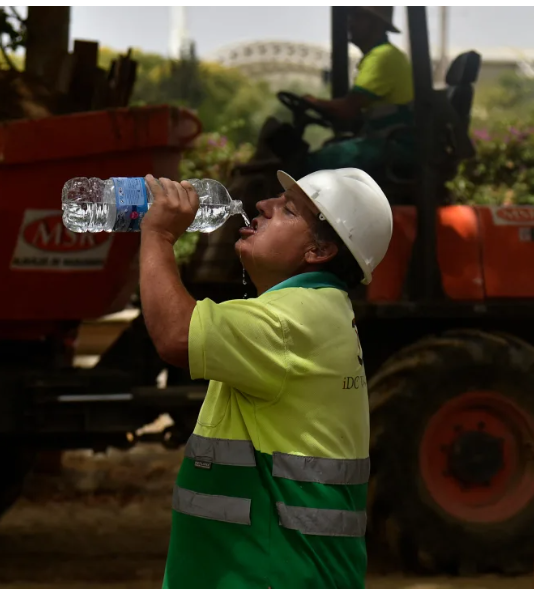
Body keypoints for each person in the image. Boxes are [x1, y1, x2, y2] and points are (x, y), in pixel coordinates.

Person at [138, 167, 394, 588]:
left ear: (319, 250)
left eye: (288, 210)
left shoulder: (293, 320)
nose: (262, 205)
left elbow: (174, 336)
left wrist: (159, 236)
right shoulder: (314, 311)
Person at [303, 6, 415, 174]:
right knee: (331, 150)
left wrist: (313, 102)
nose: (350, 23)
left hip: (394, 146)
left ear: (377, 24)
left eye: (357, 17)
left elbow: (348, 109)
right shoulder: (383, 55)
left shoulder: (382, 57)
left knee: (316, 163)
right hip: (388, 142)